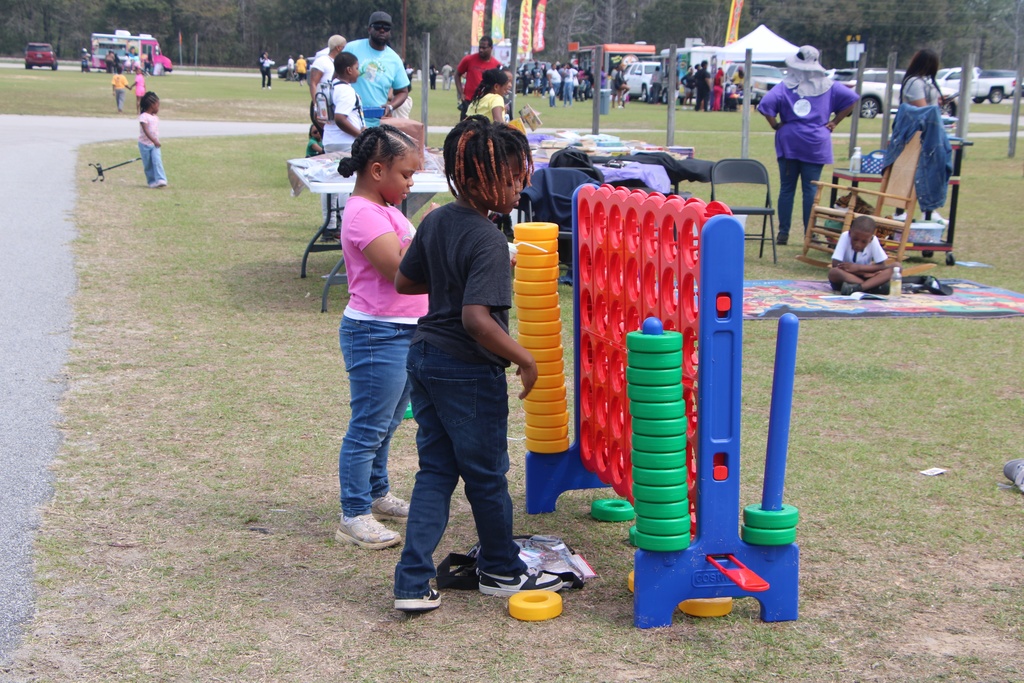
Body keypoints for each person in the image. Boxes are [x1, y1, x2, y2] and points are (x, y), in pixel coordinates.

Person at [392, 117, 567, 612]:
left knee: (436, 471)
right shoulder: (488, 238)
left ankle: (412, 583)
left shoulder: (436, 221)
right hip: (466, 369)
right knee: (487, 476)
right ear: (479, 181)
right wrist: (525, 358)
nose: (520, 187)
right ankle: (502, 569)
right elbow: (476, 320)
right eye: (512, 179)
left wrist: (457, 273)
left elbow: (406, 281)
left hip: (424, 358)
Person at [334, 125, 427, 550]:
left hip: (403, 329)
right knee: (369, 426)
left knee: (388, 423)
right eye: (406, 175)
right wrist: (435, 232)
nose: (411, 184)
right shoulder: (363, 214)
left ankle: (376, 492)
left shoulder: (386, 210)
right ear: (377, 170)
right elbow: (400, 272)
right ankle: (353, 514)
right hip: (377, 333)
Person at [757, 45, 859, 246]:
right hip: (815, 141)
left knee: (787, 189)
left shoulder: (786, 85)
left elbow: (766, 104)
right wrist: (835, 121)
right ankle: (810, 233)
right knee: (811, 190)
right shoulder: (828, 85)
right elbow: (852, 99)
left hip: (790, 141)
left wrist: (775, 125)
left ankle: (783, 233)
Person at [344, 11, 410, 127]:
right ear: (369, 29)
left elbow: (403, 91)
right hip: (349, 120)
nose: (382, 30)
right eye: (378, 26)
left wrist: (390, 106)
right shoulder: (351, 48)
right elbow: (335, 78)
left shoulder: (395, 59)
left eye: (386, 27)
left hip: (376, 124)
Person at [828, 216, 893, 295]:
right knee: (834, 272)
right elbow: (835, 264)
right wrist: (862, 273)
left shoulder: (874, 240)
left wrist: (858, 268)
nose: (858, 244)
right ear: (850, 233)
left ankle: (860, 288)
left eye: (864, 242)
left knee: (896, 267)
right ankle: (872, 287)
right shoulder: (845, 236)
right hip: (849, 278)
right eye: (855, 239)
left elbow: (882, 265)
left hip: (866, 277)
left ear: (870, 239)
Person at [323, 52, 365, 153]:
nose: (358, 72)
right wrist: (360, 135)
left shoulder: (329, 88)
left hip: (329, 141)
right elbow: (340, 119)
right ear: (349, 70)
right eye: (356, 68)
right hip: (347, 143)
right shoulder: (346, 90)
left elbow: (318, 116)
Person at [456, 36, 502, 120]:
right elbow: (457, 75)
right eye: (480, 47)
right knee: (464, 127)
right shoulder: (469, 59)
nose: (481, 50)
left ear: (491, 48)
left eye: (484, 48)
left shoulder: (497, 65)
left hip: (485, 104)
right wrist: (461, 93)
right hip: (469, 101)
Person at [310, 35, 347, 120]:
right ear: (338, 48)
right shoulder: (322, 61)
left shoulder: (341, 63)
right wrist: (317, 105)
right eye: (344, 47)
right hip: (324, 105)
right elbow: (313, 84)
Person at [137, 91, 167, 189]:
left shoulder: (155, 117)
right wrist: (154, 140)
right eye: (158, 105)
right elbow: (146, 131)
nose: (158, 108)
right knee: (148, 164)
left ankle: (161, 179)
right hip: (144, 144)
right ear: (152, 105)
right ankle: (152, 181)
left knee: (157, 160)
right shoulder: (143, 117)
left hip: (154, 145)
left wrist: (155, 141)